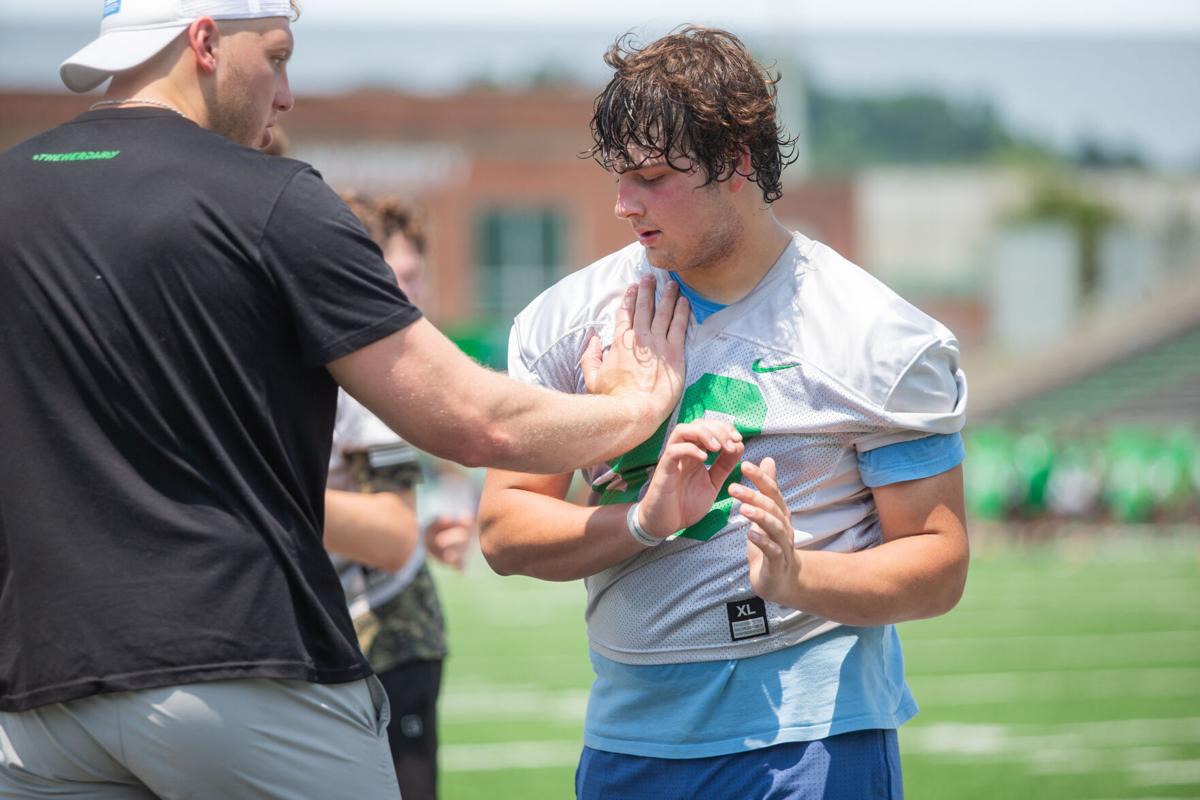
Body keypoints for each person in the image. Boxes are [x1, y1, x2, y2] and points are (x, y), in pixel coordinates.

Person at [0, 3, 688, 798]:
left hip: (35, 698)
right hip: (241, 672)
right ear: (205, 41)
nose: (287, 94)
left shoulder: (11, 189)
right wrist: (636, 408)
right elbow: (472, 420)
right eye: (279, 56)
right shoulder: (271, 197)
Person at [478, 26, 969, 800]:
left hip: (816, 737)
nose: (622, 204)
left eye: (650, 177)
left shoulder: (874, 334)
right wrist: (644, 520)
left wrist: (800, 575)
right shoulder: (571, 323)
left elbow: (939, 565)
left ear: (737, 161)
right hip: (629, 739)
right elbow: (504, 529)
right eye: (618, 176)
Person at [324, 193, 472, 799]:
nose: (412, 293)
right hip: (334, 638)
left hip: (387, 639)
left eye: (416, 277)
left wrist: (252, 490)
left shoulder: (378, 373)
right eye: (396, 276)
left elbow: (388, 533)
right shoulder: (356, 362)